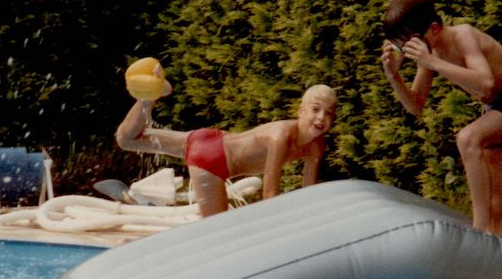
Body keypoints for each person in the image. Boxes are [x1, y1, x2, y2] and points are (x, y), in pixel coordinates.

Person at [380, 0, 502, 237]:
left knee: (468, 138)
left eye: (411, 42)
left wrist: (433, 63)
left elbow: (486, 83)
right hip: (497, 109)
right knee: (493, 203)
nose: (408, 51)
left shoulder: (463, 35)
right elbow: (415, 106)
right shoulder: (431, 53)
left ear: (434, 28)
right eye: (402, 46)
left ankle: (478, 230)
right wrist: (394, 75)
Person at [115, 76, 337, 217]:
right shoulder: (281, 136)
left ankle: (150, 96)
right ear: (300, 112)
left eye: (329, 112)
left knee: (128, 140)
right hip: (211, 159)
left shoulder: (316, 146)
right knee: (219, 232)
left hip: (210, 140)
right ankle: (150, 95)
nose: (321, 117)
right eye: (315, 109)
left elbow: (309, 191)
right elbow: (270, 193)